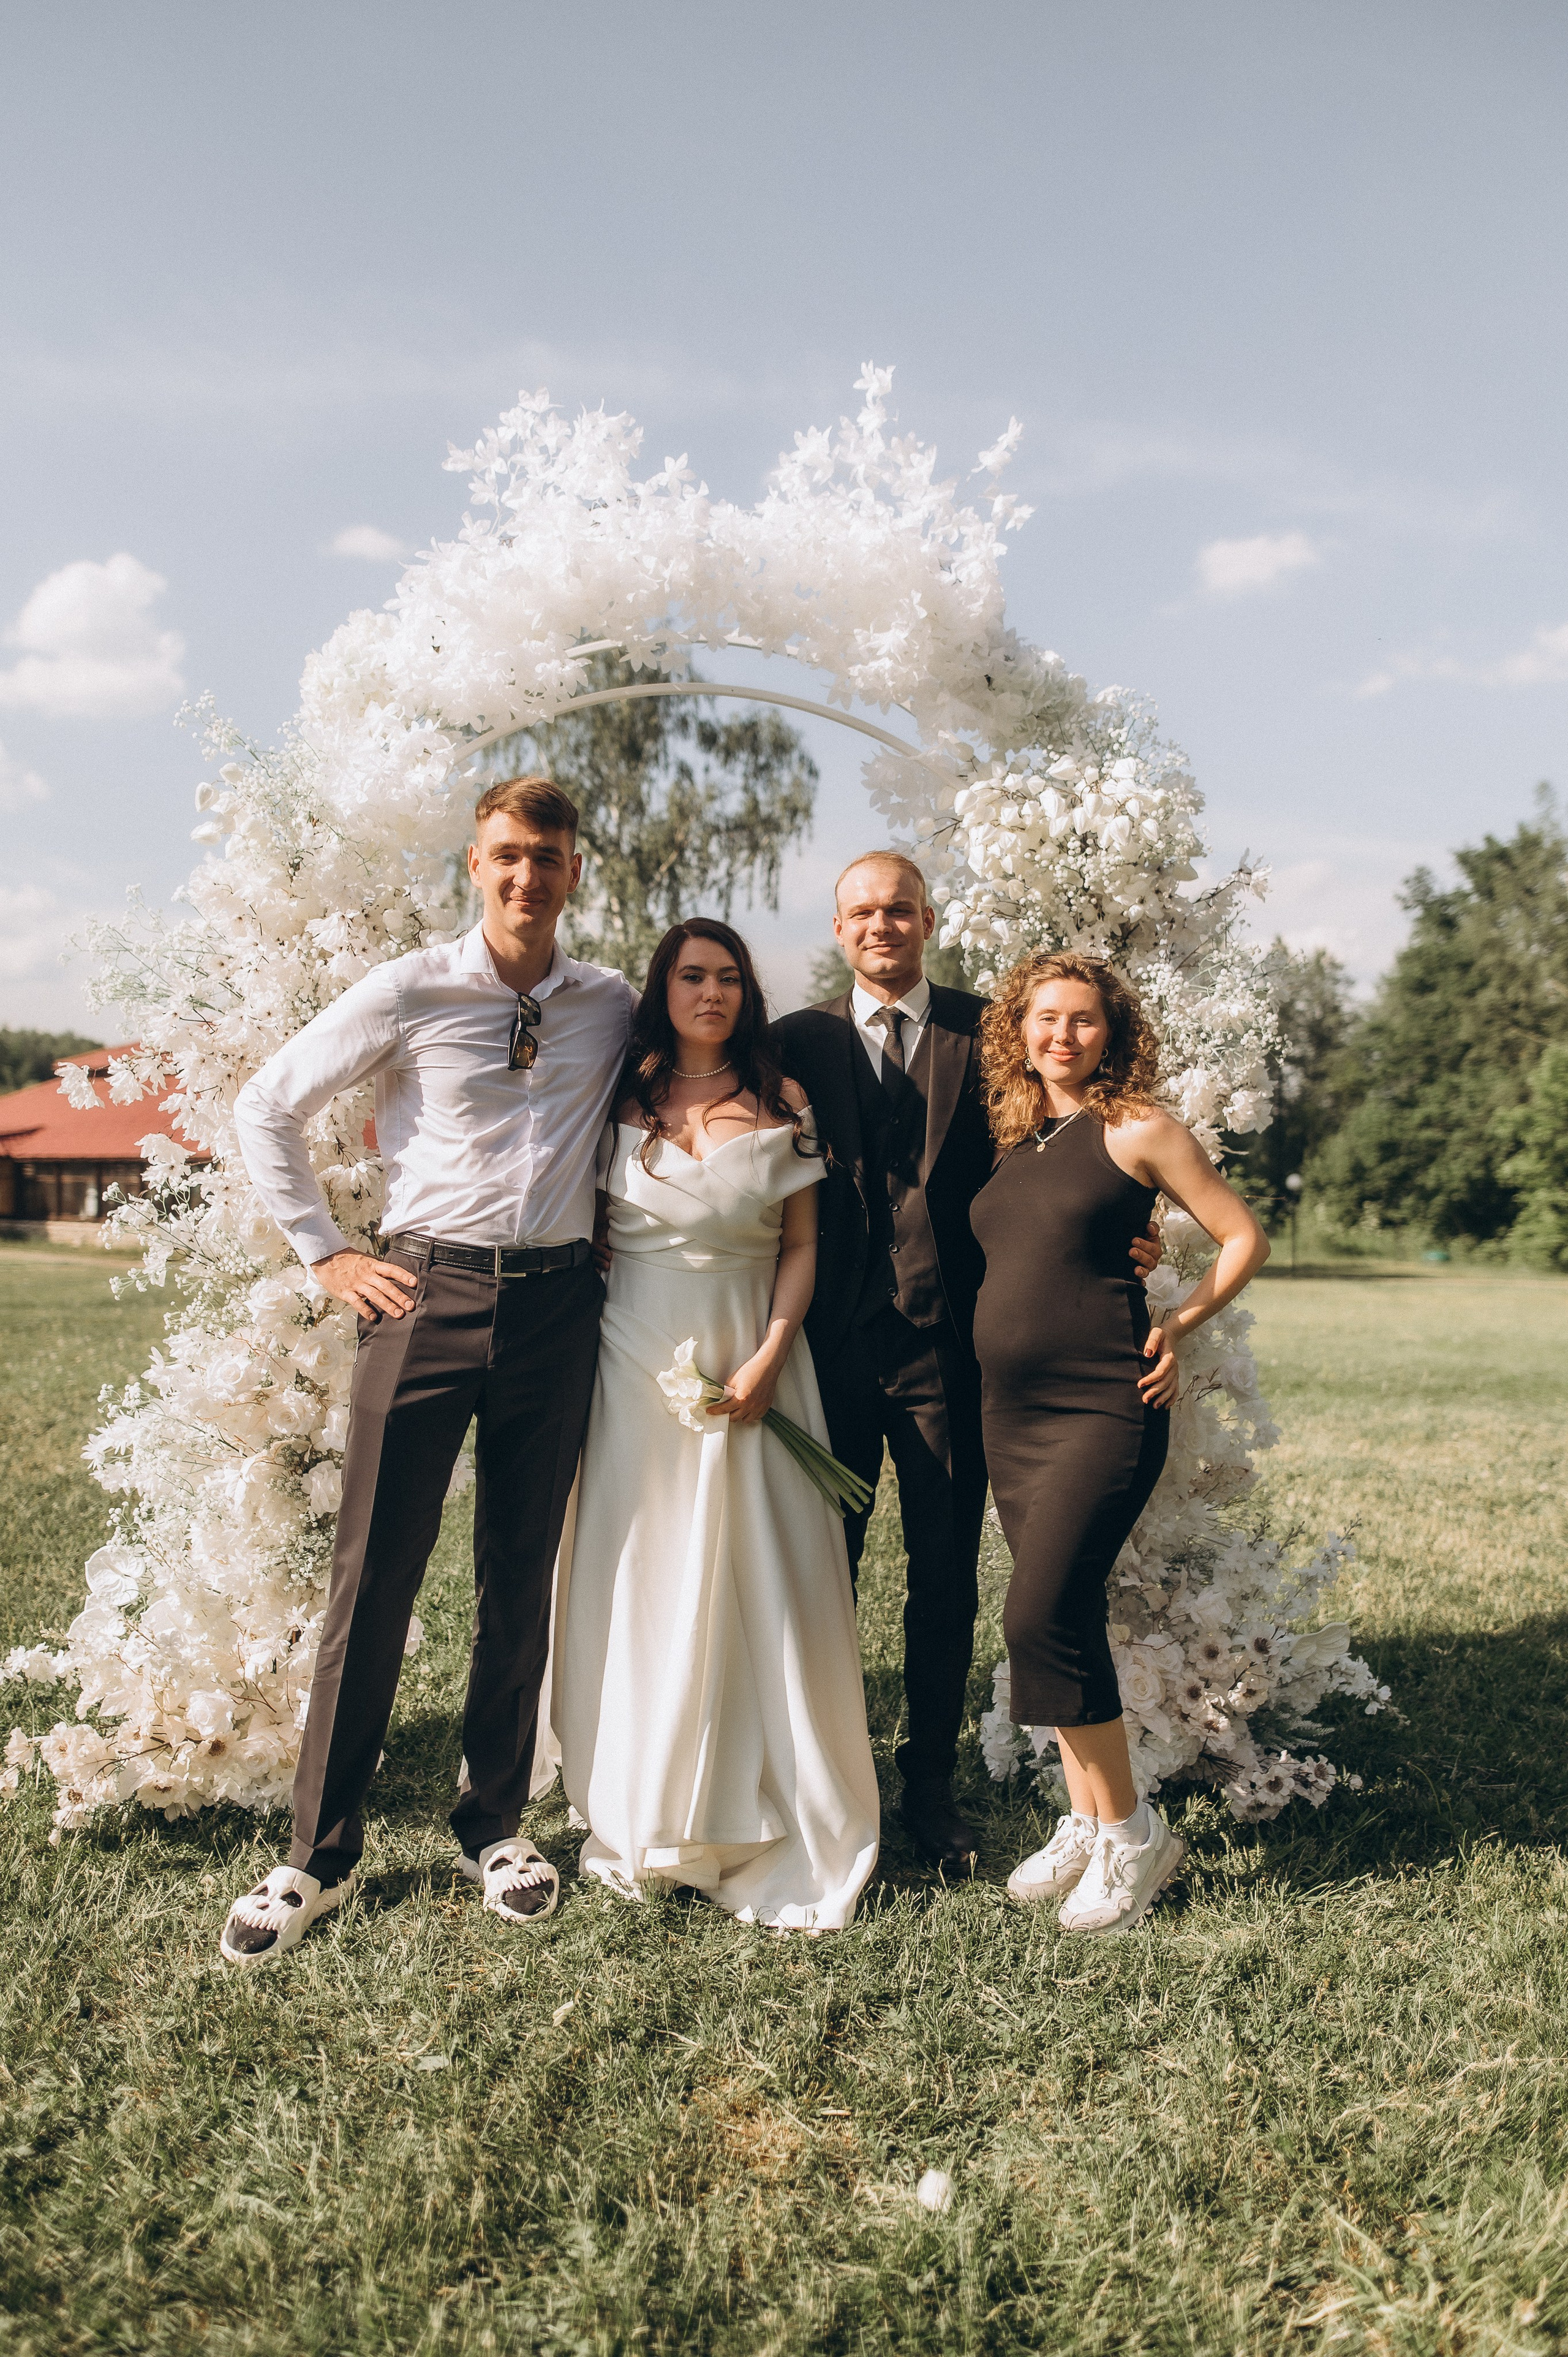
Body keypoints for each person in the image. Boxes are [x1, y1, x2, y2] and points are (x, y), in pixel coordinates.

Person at [217, 775, 634, 1964]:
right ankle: (317, 1853)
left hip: (559, 1306)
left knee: (519, 1572)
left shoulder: (607, 1003)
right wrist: (327, 1255)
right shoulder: (410, 987)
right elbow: (267, 1105)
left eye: (545, 856)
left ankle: (491, 1823)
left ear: (570, 869)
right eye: (505, 854)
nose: (525, 876)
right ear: (472, 863)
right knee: (376, 1578)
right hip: (421, 1297)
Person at [773, 856, 1168, 1871]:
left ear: (928, 920)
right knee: (824, 1576)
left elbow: (1075, 1157)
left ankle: (930, 1789)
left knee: (944, 1582)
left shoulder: (991, 1033)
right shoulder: (793, 1043)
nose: (882, 926)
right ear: (838, 928)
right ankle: (827, 1785)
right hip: (831, 1353)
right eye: (862, 912)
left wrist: (1137, 1226)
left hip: (956, 1355)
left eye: (899, 909)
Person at [552, 920, 880, 1929]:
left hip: (753, 1346)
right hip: (629, 1356)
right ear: (664, 987)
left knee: (761, 1569)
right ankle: (642, 1794)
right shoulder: (621, 1094)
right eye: (693, 975)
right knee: (640, 1562)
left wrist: (770, 1356)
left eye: (730, 977)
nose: (712, 992)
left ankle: (764, 1794)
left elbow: (802, 1245)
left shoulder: (784, 1102)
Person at [970, 951, 1268, 1936]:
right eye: (1046, 1018)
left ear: (1113, 1032)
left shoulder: (1136, 1129)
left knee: (1039, 1611)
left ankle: (1138, 1836)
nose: (1063, 1035)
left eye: (1084, 1020)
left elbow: (1241, 1236)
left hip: (1105, 1402)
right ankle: (1088, 1819)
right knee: (1064, 1618)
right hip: (1009, 1416)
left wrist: (1177, 1323)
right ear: (1020, 1031)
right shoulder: (1021, 1138)